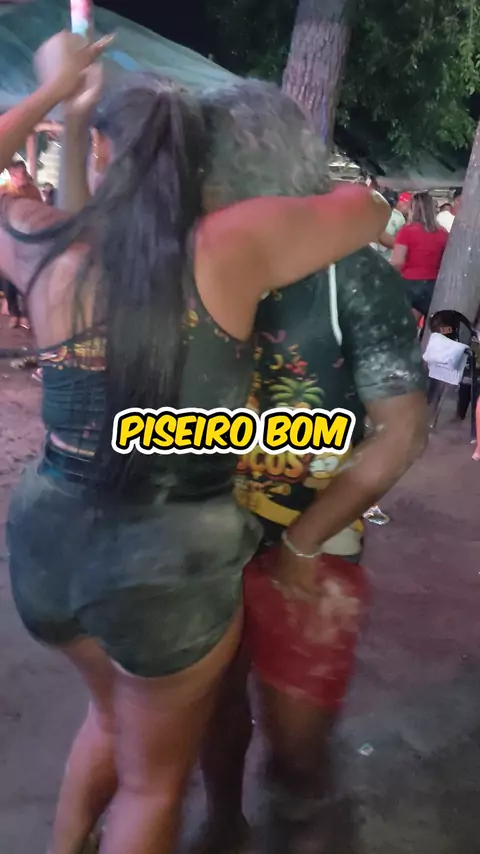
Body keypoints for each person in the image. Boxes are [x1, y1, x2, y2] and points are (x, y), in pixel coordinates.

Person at [0, 32, 390, 854]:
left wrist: (57, 99)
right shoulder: (230, 246)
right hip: (167, 555)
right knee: (152, 782)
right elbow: (367, 209)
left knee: (111, 718)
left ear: (104, 154)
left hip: (48, 536)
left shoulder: (45, 244)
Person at [180, 85, 427, 854]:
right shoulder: (193, 256)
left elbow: (402, 431)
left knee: (298, 747)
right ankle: (223, 820)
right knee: (213, 715)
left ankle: (301, 820)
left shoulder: (350, 276)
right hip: (203, 540)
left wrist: (304, 540)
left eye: (208, 164)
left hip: (310, 547)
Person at [391, 191, 449, 321]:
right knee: (433, 326)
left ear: (412, 208)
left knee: (407, 324)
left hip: (409, 283)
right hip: (434, 286)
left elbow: (397, 262)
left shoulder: (406, 231)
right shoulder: (443, 233)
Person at [0, 160, 43, 327]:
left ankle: (25, 314)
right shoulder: (3, 191)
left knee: (27, 277)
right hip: (8, 240)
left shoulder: (33, 191)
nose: (23, 177)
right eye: (19, 175)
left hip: (28, 240)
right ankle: (14, 313)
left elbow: (40, 211)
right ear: (12, 176)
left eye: (24, 173)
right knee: (8, 278)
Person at [371, 188, 406, 260]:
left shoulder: (399, 218)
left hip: (386, 259)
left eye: (391, 205)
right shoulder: (371, 212)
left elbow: (400, 243)